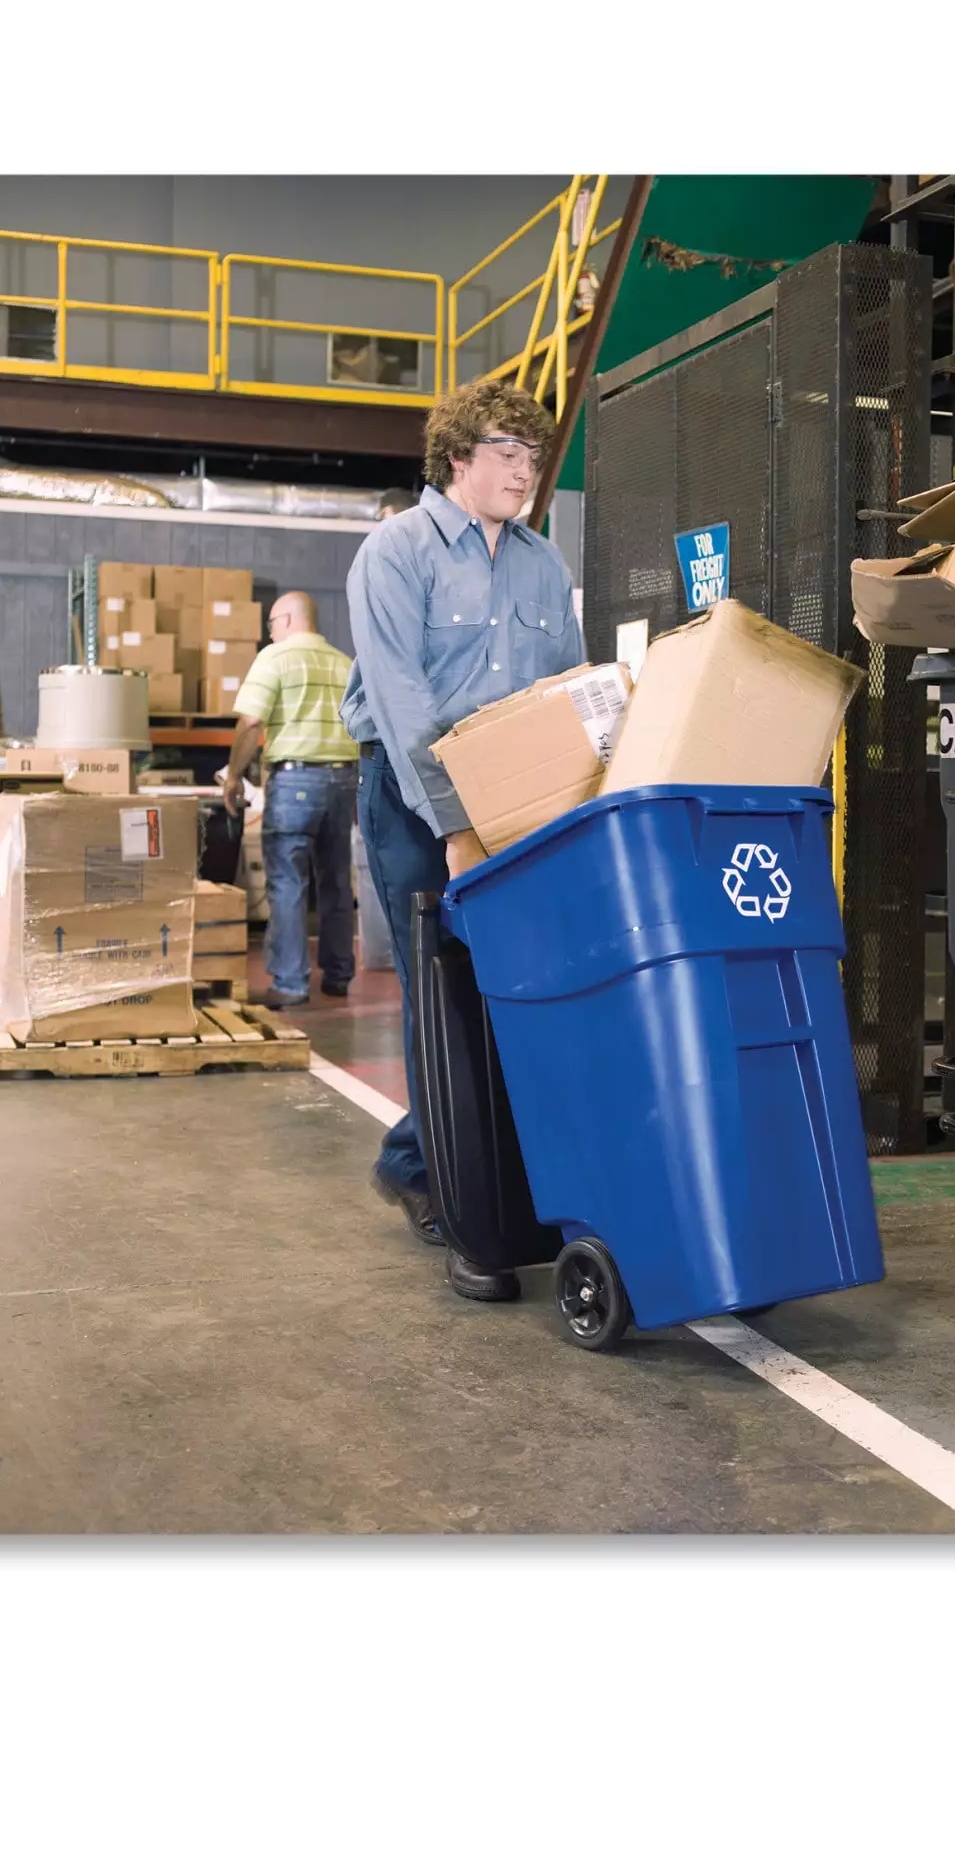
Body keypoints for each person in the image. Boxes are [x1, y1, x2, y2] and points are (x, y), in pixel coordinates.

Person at [342, 378, 582, 1302]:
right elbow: (403, 705)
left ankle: (418, 1156)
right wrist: (454, 825)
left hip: (512, 795)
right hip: (414, 797)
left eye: (534, 458)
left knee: (509, 980)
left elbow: (565, 686)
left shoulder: (542, 564)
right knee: (437, 984)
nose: (524, 472)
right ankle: (451, 1190)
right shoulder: (395, 552)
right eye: (506, 454)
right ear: (457, 459)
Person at [221, 592, 361, 1010]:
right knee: (336, 881)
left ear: (284, 620)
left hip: (295, 781)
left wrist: (233, 776)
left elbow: (251, 722)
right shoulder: (344, 663)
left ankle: (290, 982)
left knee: (287, 881)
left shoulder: (275, 658)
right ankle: (338, 976)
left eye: (270, 624)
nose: (269, 633)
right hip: (343, 779)